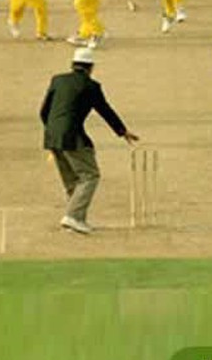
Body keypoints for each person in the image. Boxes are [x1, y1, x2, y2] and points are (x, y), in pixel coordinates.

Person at [40, 48, 139, 234]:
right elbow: (105, 110)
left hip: (51, 136)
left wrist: (53, 132)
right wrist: (122, 131)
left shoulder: (57, 80)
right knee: (90, 175)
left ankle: (76, 220)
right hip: (72, 137)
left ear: (73, 64)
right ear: (90, 67)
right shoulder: (91, 86)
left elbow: (44, 111)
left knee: (72, 181)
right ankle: (72, 217)